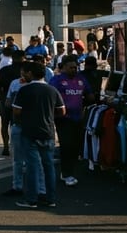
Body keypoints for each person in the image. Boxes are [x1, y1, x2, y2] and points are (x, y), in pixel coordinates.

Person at [13, 61, 63, 209]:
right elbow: (62, 110)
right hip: (48, 131)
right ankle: (51, 198)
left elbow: (16, 111)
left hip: (29, 132)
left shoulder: (25, 90)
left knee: (32, 166)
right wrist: (50, 116)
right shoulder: (52, 90)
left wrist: (23, 119)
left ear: (31, 74)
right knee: (48, 166)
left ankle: (31, 199)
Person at [50, 55, 90, 187]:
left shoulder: (81, 79)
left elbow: (89, 94)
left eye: (75, 67)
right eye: (71, 67)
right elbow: (51, 97)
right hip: (63, 119)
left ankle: (69, 171)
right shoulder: (57, 80)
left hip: (78, 118)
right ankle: (66, 173)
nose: (74, 70)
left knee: (75, 146)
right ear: (64, 67)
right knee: (66, 145)